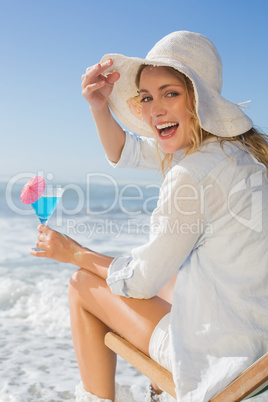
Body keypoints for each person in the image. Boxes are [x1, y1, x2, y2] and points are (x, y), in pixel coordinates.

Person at [31, 31, 268, 402]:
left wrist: (75, 252)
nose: (154, 109)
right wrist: (98, 108)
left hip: (219, 362)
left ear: (198, 98)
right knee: (168, 277)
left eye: (169, 93)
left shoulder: (191, 173)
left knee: (82, 283)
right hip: (257, 344)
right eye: (146, 97)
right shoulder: (244, 154)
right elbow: (129, 151)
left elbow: (139, 282)